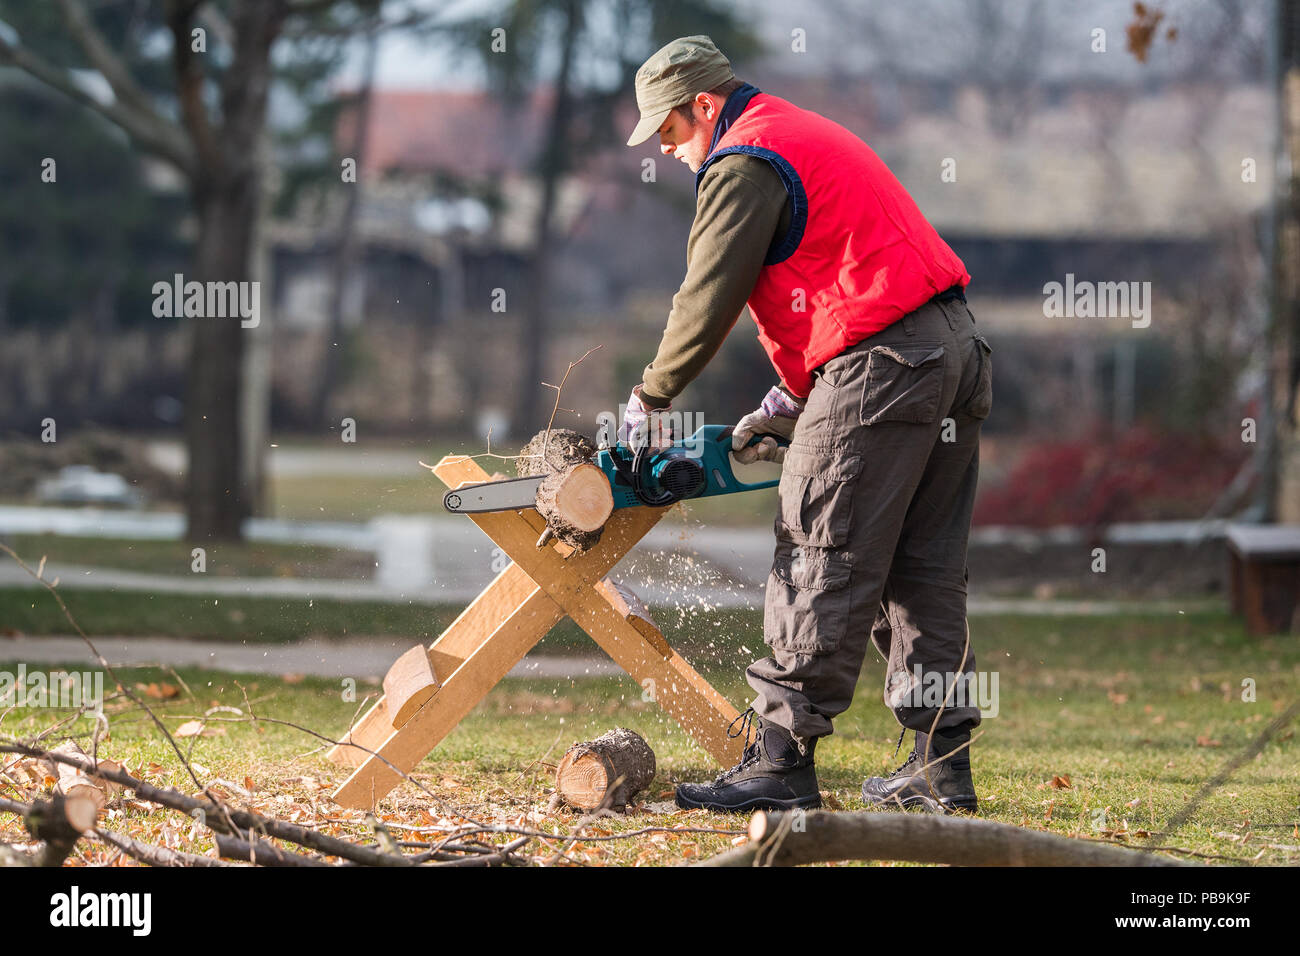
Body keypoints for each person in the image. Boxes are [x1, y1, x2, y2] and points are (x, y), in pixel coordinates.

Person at [617, 36, 993, 815]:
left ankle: (781, 764)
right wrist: (791, 402)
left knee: (820, 550)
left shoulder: (743, 161)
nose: (668, 148)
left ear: (705, 107)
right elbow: (827, 282)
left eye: (670, 131)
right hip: (947, 350)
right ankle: (940, 767)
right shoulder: (796, 132)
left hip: (883, 367)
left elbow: (707, 294)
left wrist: (651, 399)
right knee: (919, 572)